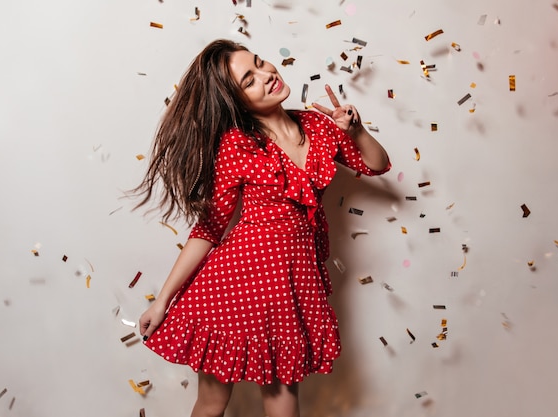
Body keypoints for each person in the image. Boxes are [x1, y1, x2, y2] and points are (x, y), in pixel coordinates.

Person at [134, 39, 390, 417]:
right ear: (238, 103)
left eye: (260, 63)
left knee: (284, 408)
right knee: (212, 403)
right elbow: (209, 228)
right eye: (249, 80)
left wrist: (356, 130)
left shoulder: (318, 126)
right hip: (234, 290)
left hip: (291, 291)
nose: (267, 75)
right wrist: (162, 301)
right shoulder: (237, 146)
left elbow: (377, 165)